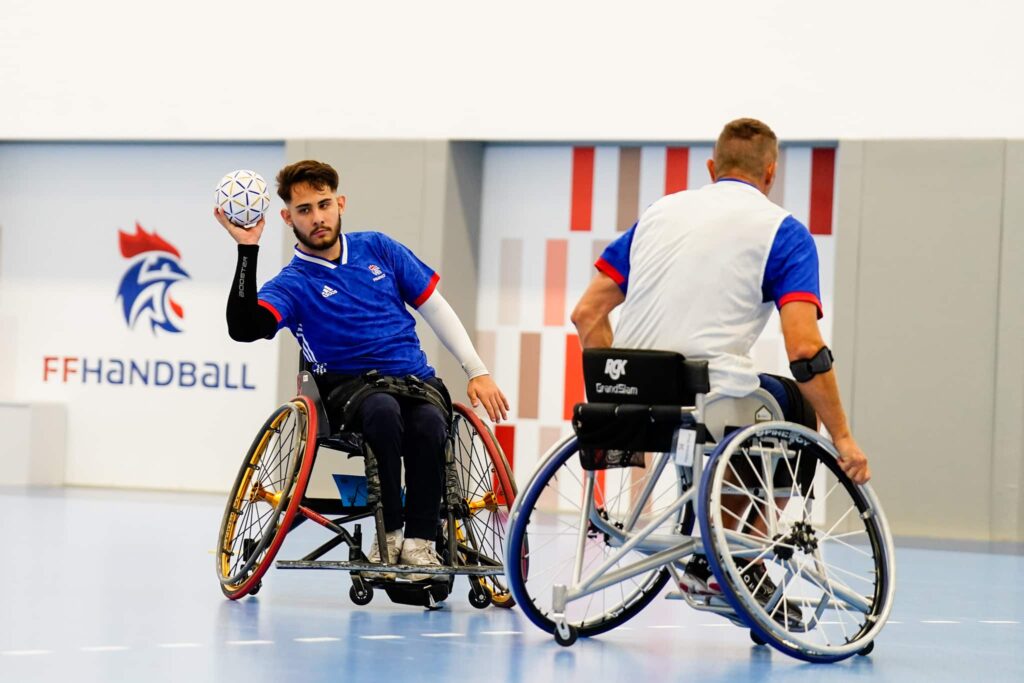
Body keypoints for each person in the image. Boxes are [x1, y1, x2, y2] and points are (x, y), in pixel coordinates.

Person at [570, 118, 870, 622]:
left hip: (633, 390)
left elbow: (586, 314)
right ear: (771, 173)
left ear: (712, 168)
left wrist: (618, 384)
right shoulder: (784, 231)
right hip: (707, 396)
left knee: (749, 396)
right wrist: (843, 439)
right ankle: (736, 558)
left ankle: (711, 549)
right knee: (788, 399)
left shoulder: (658, 215)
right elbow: (804, 348)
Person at [216, 160, 509, 581]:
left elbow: (434, 307)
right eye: (304, 210)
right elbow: (243, 329)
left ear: (340, 203)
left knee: (429, 423)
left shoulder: (379, 248)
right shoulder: (293, 282)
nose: (317, 218)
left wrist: (477, 370)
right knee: (382, 411)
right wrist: (248, 248)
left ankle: (420, 543)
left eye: (323, 205)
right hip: (349, 391)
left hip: (415, 381)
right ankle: (387, 536)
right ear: (287, 218)